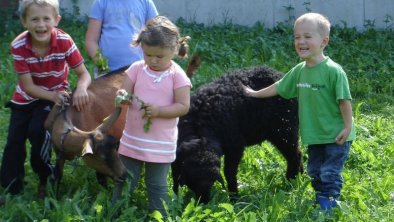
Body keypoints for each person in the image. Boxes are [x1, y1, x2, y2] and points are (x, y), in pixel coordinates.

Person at [243, 12, 356, 211]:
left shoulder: (333, 71)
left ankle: (328, 206)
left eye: (307, 36)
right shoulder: (299, 70)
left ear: (324, 41)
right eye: (297, 37)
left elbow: (344, 101)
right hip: (314, 135)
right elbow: (279, 86)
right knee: (314, 170)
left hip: (337, 134)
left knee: (329, 172)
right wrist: (254, 94)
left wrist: (348, 127)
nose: (301, 41)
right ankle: (322, 197)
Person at [0, 0, 91, 199]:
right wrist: (52, 95)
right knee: (14, 139)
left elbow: (84, 74)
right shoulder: (19, 45)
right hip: (27, 97)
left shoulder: (64, 41)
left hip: (55, 97)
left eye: (46, 19)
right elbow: (28, 86)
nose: (41, 25)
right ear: (24, 21)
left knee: (38, 132)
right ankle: (10, 187)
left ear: (56, 20)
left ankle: (45, 178)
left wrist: (82, 88)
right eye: (34, 19)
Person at [113, 16, 191, 216]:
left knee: (156, 184)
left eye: (160, 56)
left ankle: (159, 215)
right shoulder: (137, 69)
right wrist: (122, 97)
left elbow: (183, 106)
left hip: (160, 142)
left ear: (174, 51)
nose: (153, 60)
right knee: (125, 178)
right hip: (133, 139)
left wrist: (159, 111)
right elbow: (123, 91)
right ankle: (115, 213)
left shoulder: (177, 76)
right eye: (148, 55)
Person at [85, 0, 158, 77]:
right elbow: (91, 41)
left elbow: (156, 37)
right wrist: (101, 65)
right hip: (106, 74)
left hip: (139, 71)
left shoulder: (146, 2)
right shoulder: (101, 2)